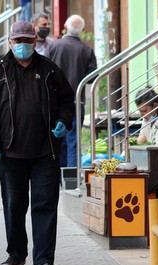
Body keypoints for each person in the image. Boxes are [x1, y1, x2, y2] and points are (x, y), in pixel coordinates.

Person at [0, 21, 74, 265]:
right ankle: (17, 254)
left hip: (46, 151)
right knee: (14, 205)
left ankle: (43, 260)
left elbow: (67, 100)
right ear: (10, 42)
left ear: (35, 42)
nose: (23, 45)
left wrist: (64, 121)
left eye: (27, 40)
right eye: (18, 40)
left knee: (45, 205)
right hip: (10, 152)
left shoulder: (50, 70)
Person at [48, 14, 97, 168]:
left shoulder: (54, 46)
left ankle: (60, 175)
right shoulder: (87, 50)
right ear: (82, 30)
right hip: (76, 102)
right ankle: (72, 177)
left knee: (57, 139)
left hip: (54, 101)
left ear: (65, 27)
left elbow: (45, 72)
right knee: (73, 140)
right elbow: (91, 78)